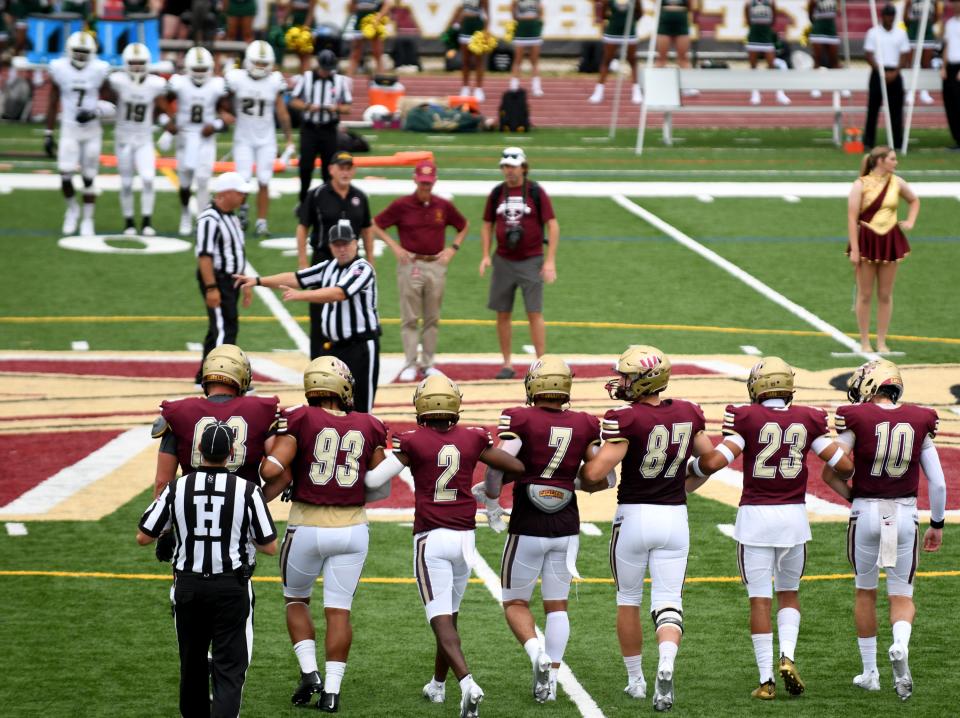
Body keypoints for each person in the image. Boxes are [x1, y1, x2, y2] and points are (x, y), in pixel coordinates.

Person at [688, 357, 854, 700]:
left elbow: (716, 462)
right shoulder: (808, 419)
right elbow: (844, 465)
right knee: (789, 594)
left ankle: (766, 680)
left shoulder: (746, 418)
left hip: (756, 519)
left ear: (757, 386)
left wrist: (689, 466)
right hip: (793, 518)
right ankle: (788, 657)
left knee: (759, 600)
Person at [362, 374, 524, 716]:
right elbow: (515, 466)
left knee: (440, 617)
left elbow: (374, 480)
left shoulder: (413, 441)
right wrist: (489, 483)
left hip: (431, 536)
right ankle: (438, 684)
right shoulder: (473, 438)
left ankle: (467, 682)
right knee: (449, 616)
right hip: (465, 539)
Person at [578, 346, 711, 712]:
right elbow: (711, 459)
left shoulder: (625, 420)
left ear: (642, 381)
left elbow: (594, 473)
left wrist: (581, 467)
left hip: (634, 517)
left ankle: (637, 680)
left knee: (628, 600)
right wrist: (687, 480)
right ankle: (666, 663)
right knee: (669, 602)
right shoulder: (687, 412)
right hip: (674, 517)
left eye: (626, 376)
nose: (621, 382)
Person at [258, 357, 389, 712]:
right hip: (352, 528)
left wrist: (268, 466)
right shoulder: (369, 424)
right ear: (344, 387)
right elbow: (381, 486)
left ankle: (309, 671)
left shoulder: (299, 417)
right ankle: (331, 692)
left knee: (296, 600)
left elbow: (273, 469)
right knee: (339, 612)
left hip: (307, 524)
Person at [473, 356, 602, 704]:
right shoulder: (586, 423)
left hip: (528, 522)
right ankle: (553, 676)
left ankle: (537, 656)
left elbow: (498, 464)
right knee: (557, 605)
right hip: (567, 524)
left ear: (533, 385)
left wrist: (491, 501)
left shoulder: (519, 417)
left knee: (515, 600)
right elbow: (602, 478)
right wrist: (565, 479)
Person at [821, 359, 946, 700]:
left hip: (866, 513)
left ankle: (870, 672)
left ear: (870, 385)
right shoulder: (921, 419)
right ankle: (900, 645)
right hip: (902, 514)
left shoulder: (856, 418)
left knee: (865, 591)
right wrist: (936, 523)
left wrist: (855, 496)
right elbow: (937, 483)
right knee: (902, 595)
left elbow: (832, 472)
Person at [137, 420, 278, 718]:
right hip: (231, 587)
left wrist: (170, 533)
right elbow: (269, 545)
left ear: (199, 450)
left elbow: (143, 535)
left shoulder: (178, 487)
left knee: (192, 668)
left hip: (188, 587)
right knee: (228, 670)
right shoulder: (247, 490)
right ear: (231, 454)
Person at [234, 222, 381, 413]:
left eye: (346, 243)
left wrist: (300, 295)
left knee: (360, 407)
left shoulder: (362, 269)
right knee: (333, 403)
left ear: (355, 243)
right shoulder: (329, 267)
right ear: (330, 246)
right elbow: (296, 278)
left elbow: (340, 293)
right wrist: (259, 281)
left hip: (361, 347)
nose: (342, 248)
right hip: (335, 347)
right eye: (337, 244)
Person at [372, 160, 468, 382]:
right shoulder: (401, 205)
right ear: (415, 180)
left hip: (436, 264)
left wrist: (452, 249)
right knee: (410, 317)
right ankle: (409, 363)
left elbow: (463, 225)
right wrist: (395, 247)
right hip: (411, 264)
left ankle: (427, 364)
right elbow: (376, 224)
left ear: (434, 182)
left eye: (429, 183)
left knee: (432, 317)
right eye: (422, 182)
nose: (426, 187)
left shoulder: (443, 206)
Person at [152, 344, 281, 497]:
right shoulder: (261, 410)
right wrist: (255, 502)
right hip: (242, 513)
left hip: (191, 511)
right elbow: (281, 475)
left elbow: (162, 482)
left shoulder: (178, 412)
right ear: (243, 376)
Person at [479, 147, 559, 380]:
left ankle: (541, 363)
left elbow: (552, 225)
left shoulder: (535, 191)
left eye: (513, 166)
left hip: (531, 260)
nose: (508, 171)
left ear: (523, 167)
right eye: (505, 166)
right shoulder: (496, 193)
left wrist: (550, 260)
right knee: (503, 313)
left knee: (534, 311)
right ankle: (507, 363)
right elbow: (486, 224)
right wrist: (486, 254)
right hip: (503, 259)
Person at [293, 150, 374, 359]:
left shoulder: (360, 196)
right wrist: (302, 260)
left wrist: (370, 259)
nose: (345, 172)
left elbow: (367, 228)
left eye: (349, 168)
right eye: (341, 168)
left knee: (349, 312)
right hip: (324, 260)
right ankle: (317, 365)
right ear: (331, 170)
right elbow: (303, 227)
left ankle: (346, 361)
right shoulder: (317, 195)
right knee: (319, 314)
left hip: (352, 263)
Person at [846, 146, 919, 353]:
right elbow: (852, 218)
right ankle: (864, 341)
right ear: (880, 161)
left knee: (886, 294)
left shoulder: (897, 182)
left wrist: (911, 221)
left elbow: (914, 200)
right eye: (892, 159)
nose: (896, 163)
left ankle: (881, 341)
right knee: (865, 294)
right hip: (868, 239)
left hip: (890, 239)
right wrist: (855, 249)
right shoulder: (861, 185)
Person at [225, 40, 295, 238]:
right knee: (243, 179)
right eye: (257, 62)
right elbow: (221, 100)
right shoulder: (236, 78)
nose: (260, 67)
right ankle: (242, 211)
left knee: (264, 180)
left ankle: (261, 222)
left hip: (266, 139)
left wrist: (289, 139)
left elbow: (282, 113)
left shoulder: (274, 81)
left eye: (264, 64)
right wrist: (223, 114)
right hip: (243, 138)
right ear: (248, 61)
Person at [45, 31, 110, 238]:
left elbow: (111, 103)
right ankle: (72, 210)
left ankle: (88, 219)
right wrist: (48, 132)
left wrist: (95, 112)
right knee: (65, 174)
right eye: (78, 52)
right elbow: (53, 100)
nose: (81, 56)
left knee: (89, 178)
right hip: (69, 129)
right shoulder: (60, 68)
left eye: (85, 52)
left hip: (92, 130)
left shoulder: (99, 69)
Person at [194, 172, 254, 384]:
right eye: (240, 193)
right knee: (225, 328)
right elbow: (204, 256)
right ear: (227, 193)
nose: (243, 198)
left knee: (218, 328)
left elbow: (238, 251)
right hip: (218, 279)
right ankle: (219, 379)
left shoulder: (231, 217)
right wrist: (211, 287)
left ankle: (204, 374)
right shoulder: (209, 219)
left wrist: (246, 282)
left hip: (231, 280)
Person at [164, 46, 229, 237]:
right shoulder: (179, 83)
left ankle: (202, 219)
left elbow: (228, 114)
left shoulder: (217, 85)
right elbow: (161, 103)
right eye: (197, 69)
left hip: (205, 136)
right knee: (184, 182)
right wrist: (167, 123)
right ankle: (185, 215)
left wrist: (216, 124)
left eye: (203, 69)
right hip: (185, 135)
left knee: (203, 179)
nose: (200, 73)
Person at [109, 42, 169, 237]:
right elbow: (108, 100)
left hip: (144, 138)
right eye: (133, 63)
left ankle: (146, 221)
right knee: (126, 183)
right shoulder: (117, 81)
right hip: (123, 139)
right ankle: (128, 222)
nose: (136, 67)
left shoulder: (154, 84)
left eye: (140, 63)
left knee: (148, 178)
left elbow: (162, 108)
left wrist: (168, 128)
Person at [290, 48, 352, 197]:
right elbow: (293, 101)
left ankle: (326, 200)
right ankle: (303, 199)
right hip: (310, 128)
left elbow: (348, 107)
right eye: (324, 69)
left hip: (329, 129)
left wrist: (335, 108)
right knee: (305, 166)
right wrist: (308, 106)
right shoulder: (306, 77)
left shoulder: (340, 80)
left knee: (329, 168)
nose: (326, 72)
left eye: (328, 69)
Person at [863, 4, 910, 150]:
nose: (890, 18)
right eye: (887, 15)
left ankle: (897, 142)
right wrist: (881, 71)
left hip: (895, 72)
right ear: (882, 16)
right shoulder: (873, 32)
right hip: (878, 72)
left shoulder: (901, 33)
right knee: (873, 108)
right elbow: (868, 55)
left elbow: (905, 55)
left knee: (896, 110)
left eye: (892, 15)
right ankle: (868, 142)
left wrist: (895, 72)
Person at [588, 0, 643, 105]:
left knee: (632, 60)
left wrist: (630, 21)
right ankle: (599, 91)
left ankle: (636, 90)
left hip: (629, 32)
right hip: (612, 32)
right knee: (606, 60)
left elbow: (639, 14)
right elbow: (602, 13)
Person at [745, 0, 790, 105]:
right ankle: (755, 93)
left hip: (766, 37)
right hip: (754, 37)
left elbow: (773, 21)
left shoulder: (771, 3)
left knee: (772, 66)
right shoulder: (749, 4)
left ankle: (779, 93)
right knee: (753, 67)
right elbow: (748, 21)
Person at [345, 0, 393, 77]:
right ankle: (347, 81)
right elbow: (350, 8)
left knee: (378, 53)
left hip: (373, 21)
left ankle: (381, 80)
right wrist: (352, 6)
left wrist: (378, 17)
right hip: (359, 22)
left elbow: (387, 4)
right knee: (355, 54)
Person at [904, 0, 939, 105]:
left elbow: (936, 18)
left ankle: (924, 91)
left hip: (927, 32)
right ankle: (910, 91)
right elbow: (905, 19)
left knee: (926, 64)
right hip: (913, 31)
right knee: (911, 64)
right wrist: (907, 5)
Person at [656, 0, 697, 86]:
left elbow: (693, 5)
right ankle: (657, 85)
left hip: (681, 20)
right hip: (665, 21)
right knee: (661, 59)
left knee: (683, 59)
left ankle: (688, 85)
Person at [456, 0, 490, 101]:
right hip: (465, 26)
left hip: (477, 26)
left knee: (478, 61)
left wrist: (486, 31)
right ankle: (465, 88)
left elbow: (487, 14)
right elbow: (462, 8)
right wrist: (458, 22)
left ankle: (478, 89)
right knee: (465, 60)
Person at [510, 0, 545, 96]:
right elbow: (513, 9)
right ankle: (514, 86)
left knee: (534, 60)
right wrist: (516, 22)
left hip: (534, 28)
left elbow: (541, 9)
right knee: (518, 60)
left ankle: (536, 87)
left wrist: (539, 22)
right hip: (521, 28)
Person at [807, 0, 841, 97]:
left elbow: (838, 10)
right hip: (818, 29)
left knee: (834, 61)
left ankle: (841, 86)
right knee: (817, 60)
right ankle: (815, 87)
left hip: (831, 28)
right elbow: (810, 12)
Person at [941, 0, 960, 149]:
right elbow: (947, 45)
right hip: (950, 67)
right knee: (950, 104)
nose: (955, 5)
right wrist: (943, 66)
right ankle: (957, 138)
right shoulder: (950, 23)